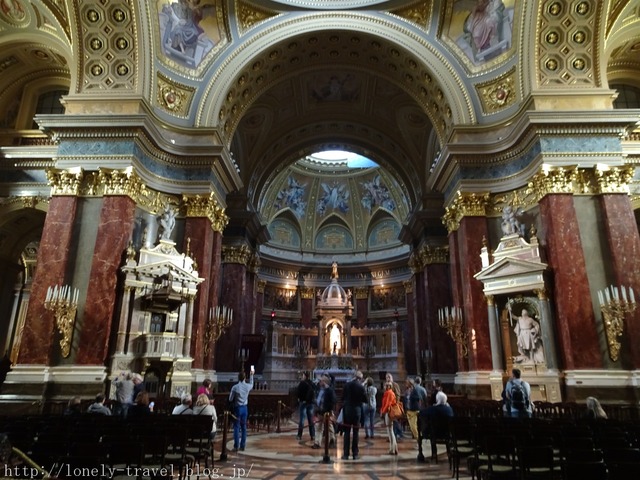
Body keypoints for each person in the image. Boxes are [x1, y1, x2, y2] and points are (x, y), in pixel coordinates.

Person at [341, 371, 367, 460]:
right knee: (356, 433)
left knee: (347, 432)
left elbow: (342, 397)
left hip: (347, 410)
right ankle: (355, 454)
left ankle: (345, 454)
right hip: (357, 411)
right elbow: (365, 400)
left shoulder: (347, 385)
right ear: (360, 378)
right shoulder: (361, 387)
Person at [228, 369, 254, 452]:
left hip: (237, 408)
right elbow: (252, 384)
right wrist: (252, 375)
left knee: (236, 427)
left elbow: (230, 399)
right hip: (245, 408)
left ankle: (236, 446)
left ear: (238, 378)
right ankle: (242, 446)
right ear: (245, 378)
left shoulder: (235, 387)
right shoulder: (247, 386)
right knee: (244, 427)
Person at [312, 374, 337, 449]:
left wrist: (329, 410)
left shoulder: (330, 390)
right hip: (319, 410)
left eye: (321, 381)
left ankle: (332, 441)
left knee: (329, 427)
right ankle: (317, 443)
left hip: (327, 412)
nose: (319, 382)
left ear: (324, 381)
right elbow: (318, 399)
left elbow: (334, 401)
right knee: (318, 427)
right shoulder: (320, 389)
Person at [296, 372, 316, 441]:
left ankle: (299, 435)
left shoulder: (302, 383)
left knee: (302, 419)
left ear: (304, 376)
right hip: (310, 403)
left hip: (303, 402)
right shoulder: (311, 383)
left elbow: (298, 393)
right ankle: (313, 435)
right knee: (311, 419)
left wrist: (300, 399)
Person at [380, 382, 398, 455]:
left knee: (390, 431)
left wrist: (383, 412)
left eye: (385, 385)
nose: (384, 386)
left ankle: (393, 449)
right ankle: (393, 448)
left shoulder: (389, 393)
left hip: (389, 413)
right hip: (387, 412)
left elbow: (388, 404)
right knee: (390, 431)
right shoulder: (388, 393)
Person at [385, 373, 404, 439]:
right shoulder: (386, 386)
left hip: (394, 405)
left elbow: (398, 394)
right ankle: (393, 435)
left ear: (392, 378)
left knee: (394, 420)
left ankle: (399, 433)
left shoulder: (395, 385)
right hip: (388, 406)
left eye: (389, 377)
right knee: (391, 421)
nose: (388, 378)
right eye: (387, 377)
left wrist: (396, 403)